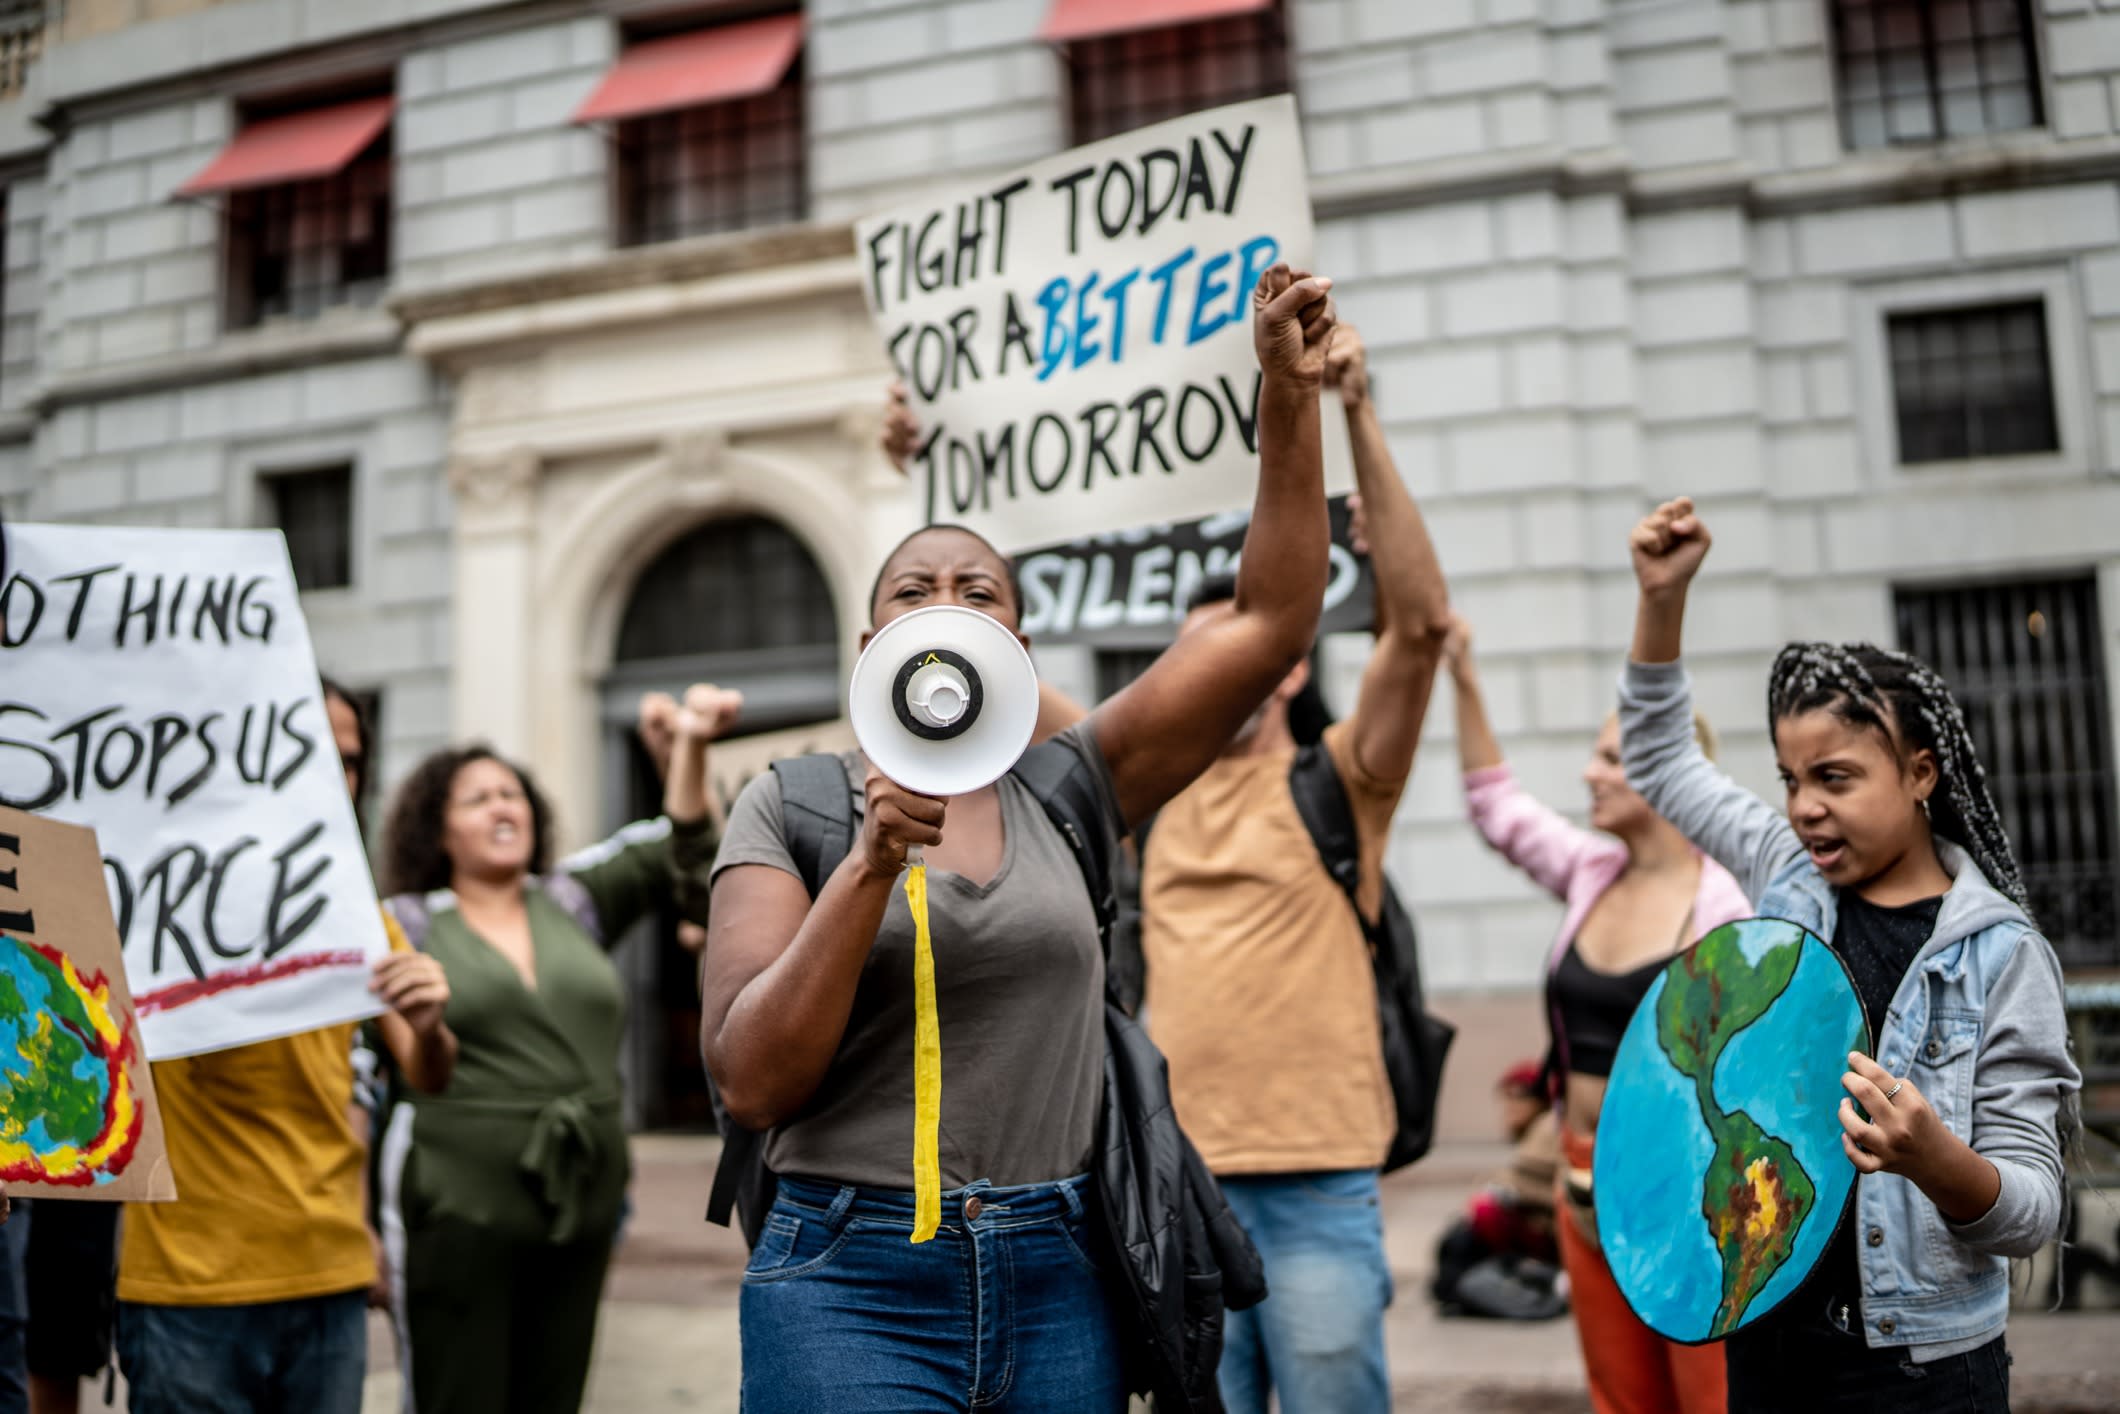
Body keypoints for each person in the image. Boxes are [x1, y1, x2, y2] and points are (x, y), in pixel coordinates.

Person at [703, 264, 1338, 1413]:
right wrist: (868, 865)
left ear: (1019, 642)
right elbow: (751, 1081)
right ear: (868, 644)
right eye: (913, 590)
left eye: (978, 592)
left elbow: (1267, 621)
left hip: (1061, 1273)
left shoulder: (1074, 787)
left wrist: (1286, 401)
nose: (946, 603)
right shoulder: (788, 804)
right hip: (846, 1277)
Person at [1620, 496, 2081, 1412]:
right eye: (1791, 780)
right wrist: (1661, 599)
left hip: (1924, 1372)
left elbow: (2033, 1209)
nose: (1802, 808)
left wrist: (1933, 1158)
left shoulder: (1999, 955)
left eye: (1835, 778)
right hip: (1767, 1344)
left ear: (1919, 773)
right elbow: (1661, 754)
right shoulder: (1785, 874)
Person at [1129, 319, 1449, 1414]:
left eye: (1233, 647)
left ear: (1283, 660)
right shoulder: (1133, 791)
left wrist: (1354, 412)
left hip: (1318, 1182)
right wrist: (920, 462)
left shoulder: (1340, 781)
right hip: (1175, 1188)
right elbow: (991, 690)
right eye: (1190, 653)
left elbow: (1416, 626)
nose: (1207, 670)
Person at [378, 684, 735, 1414]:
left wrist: (692, 745)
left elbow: (685, 843)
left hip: (584, 1200)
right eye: (476, 799)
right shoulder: (404, 925)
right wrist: (429, 1024)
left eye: (511, 795)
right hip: (460, 1207)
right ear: (435, 830)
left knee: (556, 1392)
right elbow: (414, 1075)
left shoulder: (574, 899)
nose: (502, 808)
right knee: (458, 1393)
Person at [113, 684, 458, 1414]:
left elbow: (429, 1073)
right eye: (315, 751)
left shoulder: (355, 909)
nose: (335, 775)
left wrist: (429, 1023)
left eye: (352, 761)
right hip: (188, 1280)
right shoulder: (154, 892)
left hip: (326, 1272)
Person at [1446, 615, 1745, 1412]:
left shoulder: (1729, 900)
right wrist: (1463, 674)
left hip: (1687, 1185)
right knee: (1619, 1396)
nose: (1589, 774)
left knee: (1709, 1393)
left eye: (1611, 757)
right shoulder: (1591, 870)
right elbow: (1496, 807)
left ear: (1669, 768)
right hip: (1581, 1183)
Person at [1430, 1060, 1566, 1322]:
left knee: (1470, 1232)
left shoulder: (1549, 1128)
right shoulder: (1538, 1131)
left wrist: (1504, 1193)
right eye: (1508, 1096)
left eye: (1521, 1096)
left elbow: (1537, 1184)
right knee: (1459, 1247)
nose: (1511, 1106)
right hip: (1534, 1228)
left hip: (1547, 1231)